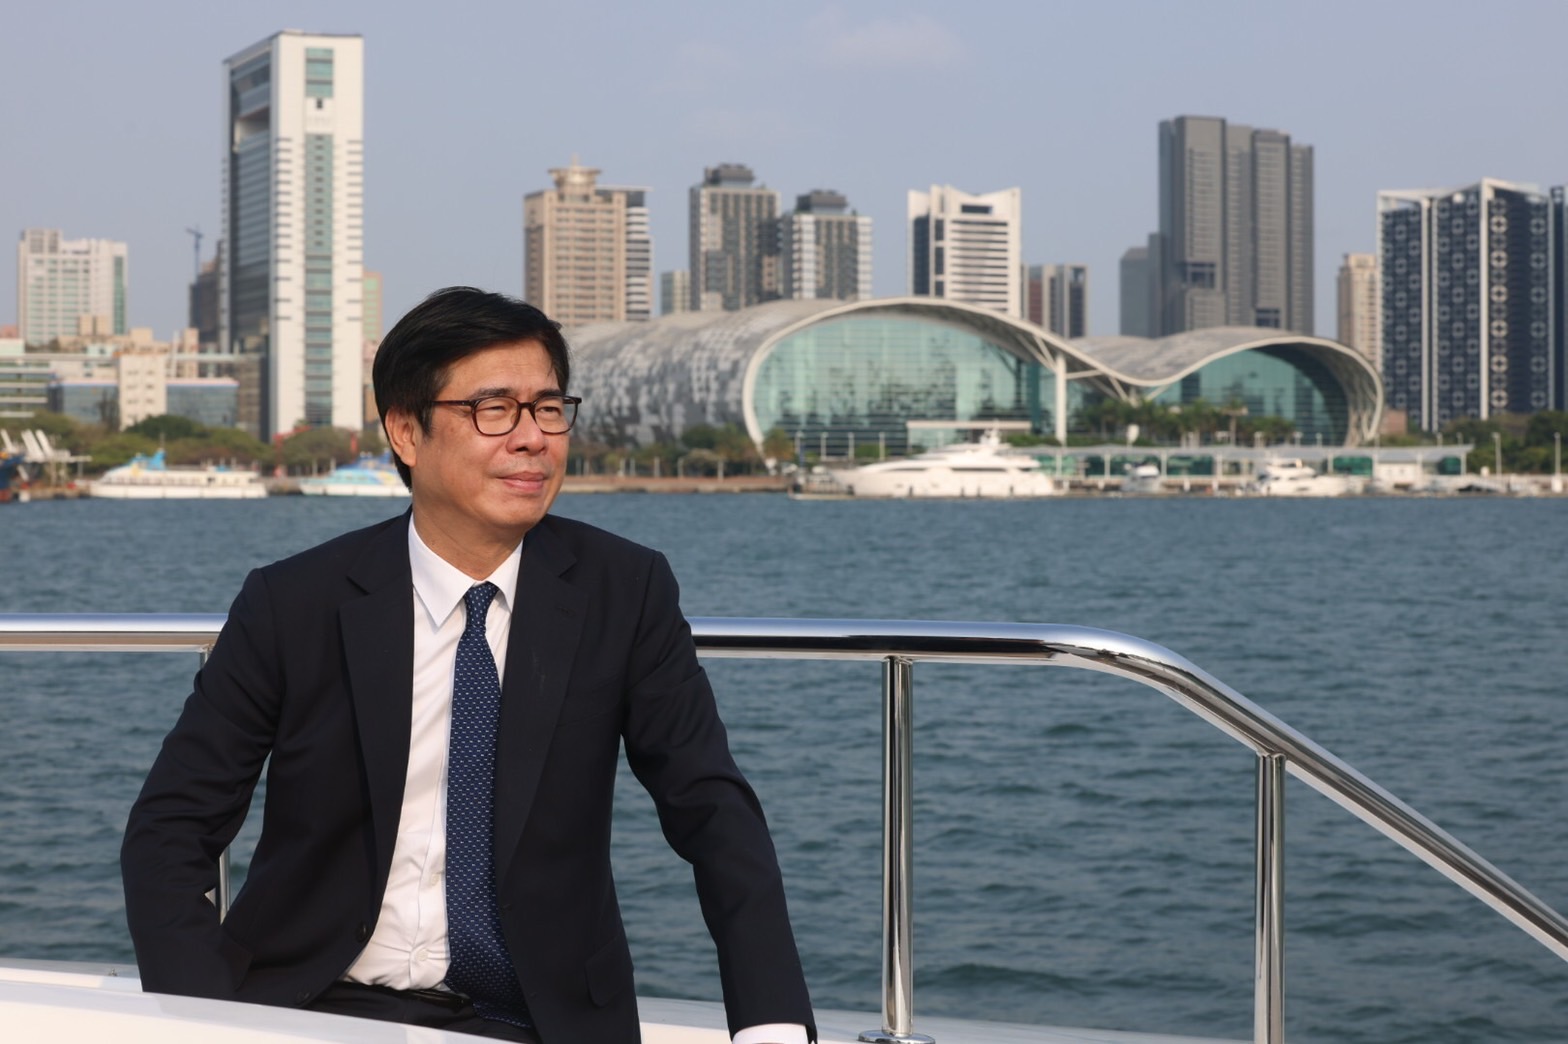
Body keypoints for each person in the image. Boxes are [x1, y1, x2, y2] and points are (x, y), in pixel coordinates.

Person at [121, 287, 815, 1044]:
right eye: (494, 409)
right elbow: (171, 829)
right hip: (314, 1006)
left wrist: (771, 1026)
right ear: (406, 432)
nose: (533, 439)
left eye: (548, 409)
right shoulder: (294, 602)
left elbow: (712, 813)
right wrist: (206, 1017)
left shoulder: (625, 590)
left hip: (540, 1019)